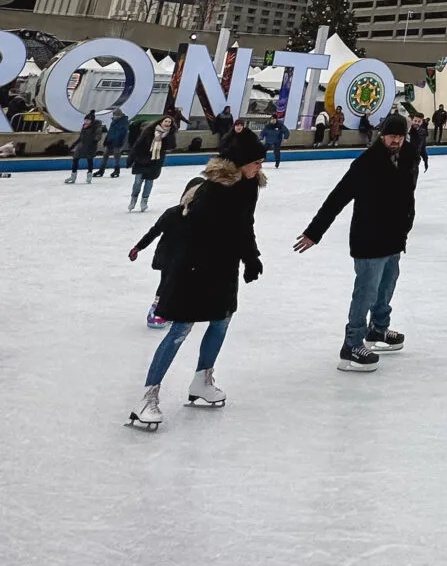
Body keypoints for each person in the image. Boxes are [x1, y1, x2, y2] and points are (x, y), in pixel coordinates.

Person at [126, 128, 266, 430]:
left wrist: (251, 257)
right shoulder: (212, 193)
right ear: (240, 162)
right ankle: (147, 397)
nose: (260, 168)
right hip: (194, 269)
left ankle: (202, 380)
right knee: (180, 329)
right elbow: (194, 236)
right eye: (256, 162)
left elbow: (245, 225)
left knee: (222, 320)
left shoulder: (248, 187)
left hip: (223, 269)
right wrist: (183, 269)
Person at [294, 111, 419, 371]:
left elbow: (407, 198)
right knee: (366, 292)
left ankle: (378, 330)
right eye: (391, 136)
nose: (396, 140)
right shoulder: (367, 163)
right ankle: (351, 344)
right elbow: (337, 198)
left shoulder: (409, 157)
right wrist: (314, 232)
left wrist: (406, 225)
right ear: (382, 136)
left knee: (386, 287)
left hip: (394, 238)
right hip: (369, 239)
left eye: (400, 136)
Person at [126, 114, 175, 212]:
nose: (167, 123)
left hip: (155, 162)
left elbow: (171, 146)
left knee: (149, 183)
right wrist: (131, 159)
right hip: (142, 159)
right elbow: (138, 145)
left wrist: (169, 134)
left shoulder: (169, 135)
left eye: (169, 122)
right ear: (161, 121)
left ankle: (144, 201)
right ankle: (133, 199)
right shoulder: (148, 131)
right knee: (137, 182)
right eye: (166, 121)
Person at [66, 111, 103, 184]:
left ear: (91, 121)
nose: (86, 121)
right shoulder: (84, 126)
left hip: (90, 147)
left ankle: (89, 176)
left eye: (87, 120)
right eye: (85, 120)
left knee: (89, 161)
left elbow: (98, 136)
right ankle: (73, 176)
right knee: (75, 159)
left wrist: (94, 141)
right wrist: (74, 144)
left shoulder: (96, 127)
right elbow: (81, 137)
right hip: (82, 146)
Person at [102, 108, 131, 178]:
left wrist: (120, 142)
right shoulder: (113, 121)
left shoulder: (124, 122)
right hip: (111, 140)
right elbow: (110, 132)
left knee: (116, 155)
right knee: (105, 154)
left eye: (116, 115)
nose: (115, 117)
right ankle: (101, 169)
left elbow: (123, 133)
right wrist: (106, 140)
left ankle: (117, 170)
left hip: (118, 141)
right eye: (114, 115)